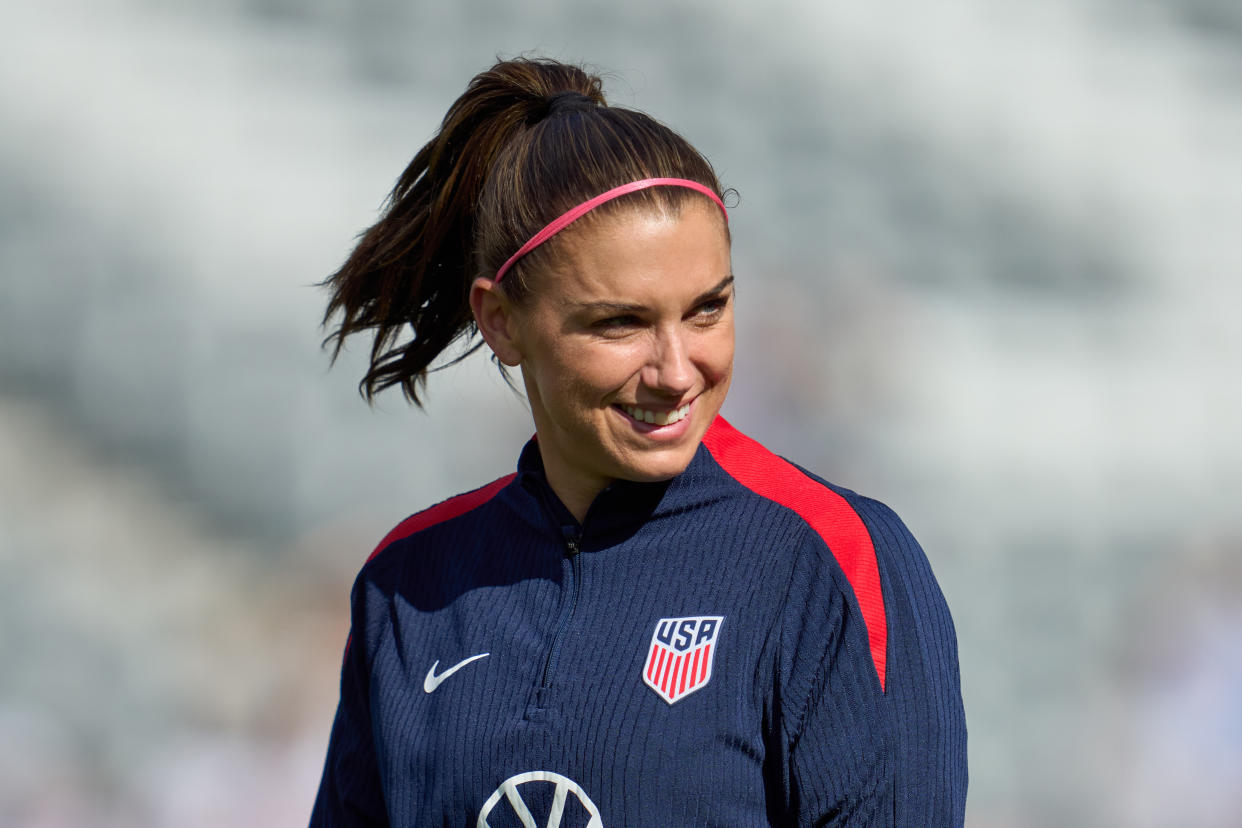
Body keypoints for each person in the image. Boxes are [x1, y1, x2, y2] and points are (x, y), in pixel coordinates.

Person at [310, 57, 967, 827]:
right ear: (499, 320)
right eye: (620, 322)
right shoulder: (409, 583)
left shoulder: (832, 561)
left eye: (707, 310)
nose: (677, 369)